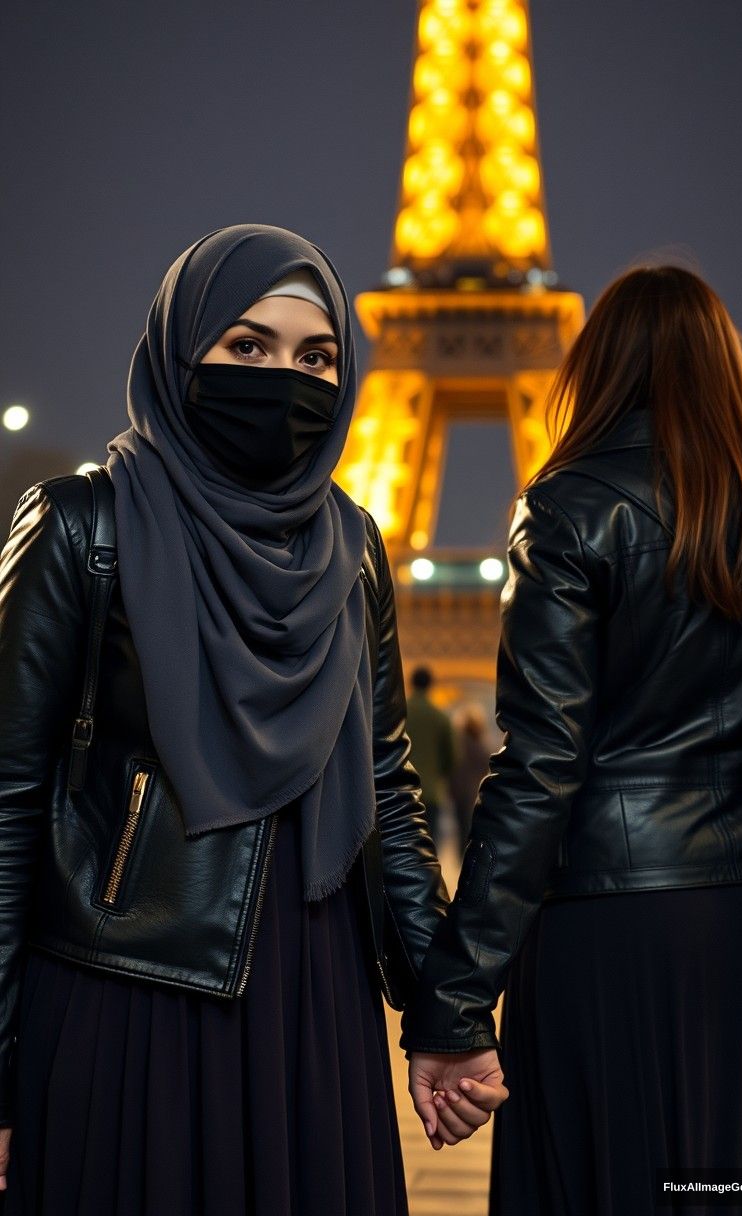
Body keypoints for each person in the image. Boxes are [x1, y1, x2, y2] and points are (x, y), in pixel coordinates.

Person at [0, 224, 452, 1215]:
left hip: (312, 993)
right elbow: (6, 804)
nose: (284, 377)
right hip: (127, 985)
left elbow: (386, 791)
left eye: (315, 356)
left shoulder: (354, 546)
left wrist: (445, 1009)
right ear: (178, 350)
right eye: (247, 347)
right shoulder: (82, 525)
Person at [401, 265, 742, 1215]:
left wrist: (457, 996)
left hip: (605, 918)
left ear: (594, 365)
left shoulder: (568, 508)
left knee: (604, 1172)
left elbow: (540, 767)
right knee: (732, 1172)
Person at [405, 665, 456, 847]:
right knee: (430, 844)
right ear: (430, 685)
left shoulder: (400, 714)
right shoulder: (440, 717)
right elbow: (451, 758)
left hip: (402, 789)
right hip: (431, 790)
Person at [448, 703, 491, 857]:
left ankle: (462, 856)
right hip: (475, 791)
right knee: (471, 826)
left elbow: (452, 766)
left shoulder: (457, 743)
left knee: (461, 826)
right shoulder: (481, 745)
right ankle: (469, 856)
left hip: (459, 790)